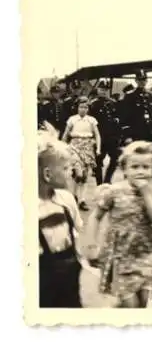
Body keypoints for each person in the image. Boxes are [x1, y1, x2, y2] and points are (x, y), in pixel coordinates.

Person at [84, 141, 152, 308]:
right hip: (120, 256)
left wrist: (146, 195)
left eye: (145, 167)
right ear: (125, 169)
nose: (140, 171)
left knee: (142, 303)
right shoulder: (114, 191)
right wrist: (91, 245)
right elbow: (95, 217)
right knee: (131, 305)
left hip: (144, 256)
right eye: (135, 167)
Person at [37, 132, 84, 308]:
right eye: (65, 168)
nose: (71, 172)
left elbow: (75, 233)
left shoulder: (66, 199)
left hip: (70, 281)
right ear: (47, 174)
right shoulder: (32, 207)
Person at [120, 70, 152, 186]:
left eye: (144, 80)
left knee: (151, 157)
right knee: (134, 157)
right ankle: (131, 180)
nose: (142, 82)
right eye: (139, 80)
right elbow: (124, 117)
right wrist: (127, 135)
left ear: (146, 81)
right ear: (135, 81)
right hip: (135, 133)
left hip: (150, 133)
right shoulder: (129, 96)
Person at [62, 96, 101, 211]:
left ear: (88, 108)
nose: (83, 109)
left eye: (85, 107)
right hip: (74, 146)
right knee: (77, 173)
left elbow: (97, 135)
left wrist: (98, 148)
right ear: (77, 108)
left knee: (84, 176)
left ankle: (81, 200)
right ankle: (73, 196)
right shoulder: (72, 119)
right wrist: (62, 147)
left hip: (87, 147)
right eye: (81, 107)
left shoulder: (92, 120)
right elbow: (65, 135)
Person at [89, 80, 121, 185]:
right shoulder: (93, 104)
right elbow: (90, 122)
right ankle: (99, 183)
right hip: (99, 138)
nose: (103, 92)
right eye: (101, 89)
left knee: (115, 159)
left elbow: (117, 119)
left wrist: (118, 135)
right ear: (97, 90)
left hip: (111, 137)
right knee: (98, 162)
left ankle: (107, 180)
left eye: (105, 90)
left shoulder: (112, 103)